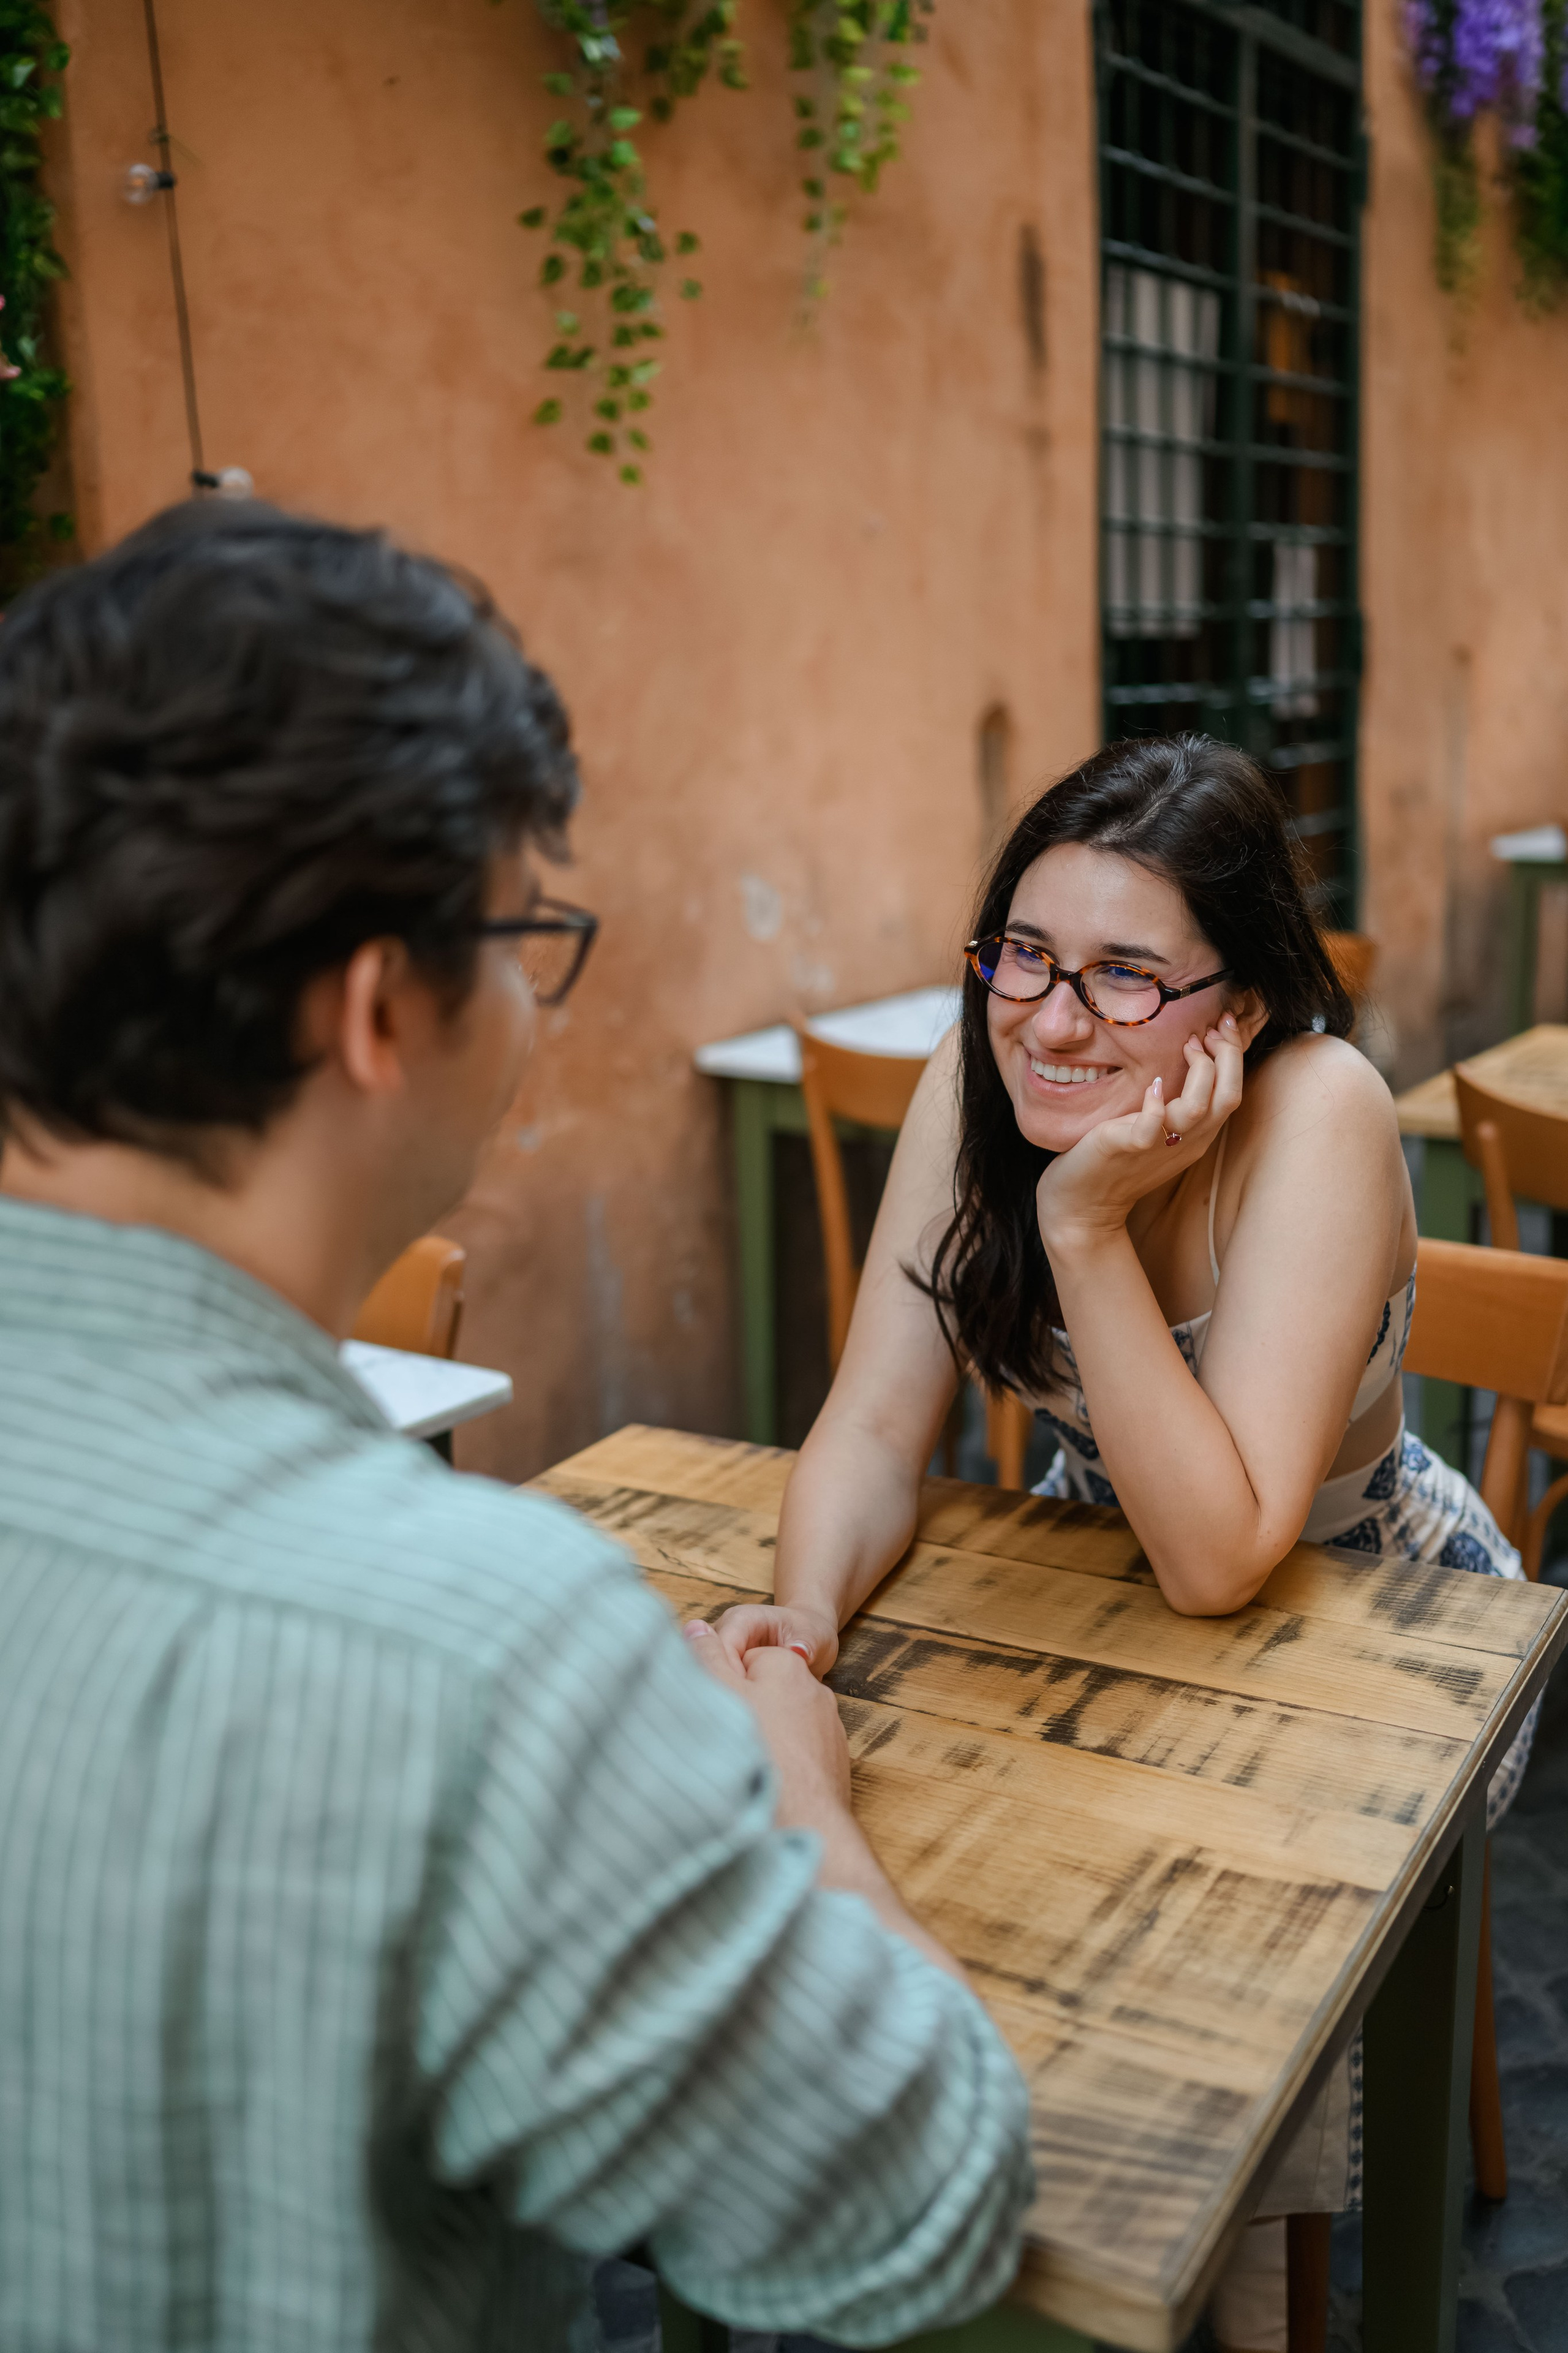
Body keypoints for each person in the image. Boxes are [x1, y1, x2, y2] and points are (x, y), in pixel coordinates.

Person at [0, 499, 1033, 2352]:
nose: (528, 1002)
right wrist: (790, 1786)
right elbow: (926, 2194)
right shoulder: (483, 1653)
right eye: (518, 935)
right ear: (383, 1003)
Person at [714, 735, 1536, 2352]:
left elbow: (1227, 1551)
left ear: (1237, 1005)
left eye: (1120, 974)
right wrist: (801, 1620)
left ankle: (1218, 2289)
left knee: (1206, 1988)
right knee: (912, 1819)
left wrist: (1081, 1222)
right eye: (1024, 952)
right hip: (1117, 1600)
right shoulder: (981, 1083)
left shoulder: (1321, 1112)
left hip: (1388, 1639)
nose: (1051, 1014)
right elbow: (876, 1427)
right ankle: (1056, 2235)